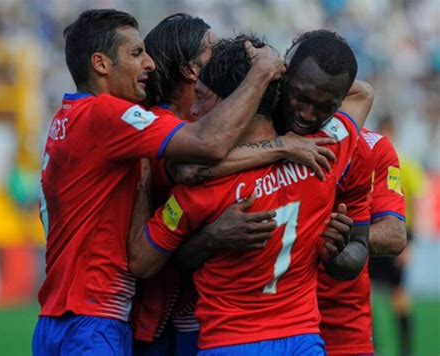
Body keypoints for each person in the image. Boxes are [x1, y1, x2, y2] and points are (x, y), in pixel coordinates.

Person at [32, 9, 285, 355]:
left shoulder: (68, 119)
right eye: (136, 53)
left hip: (63, 315)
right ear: (101, 64)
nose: (149, 64)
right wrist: (263, 74)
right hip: (94, 318)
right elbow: (203, 152)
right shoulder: (108, 115)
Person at [128, 34, 372, 354]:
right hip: (303, 341)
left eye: (204, 98)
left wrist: (142, 182)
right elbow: (363, 94)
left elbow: (141, 263)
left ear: (238, 103)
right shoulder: (327, 152)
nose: (197, 111)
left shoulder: (201, 189)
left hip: (230, 342)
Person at [369, 115, 423, 356]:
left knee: (398, 296)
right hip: (372, 235)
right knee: (364, 295)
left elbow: (417, 205)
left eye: (389, 131)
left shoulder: (407, 166)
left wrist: (410, 244)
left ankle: (405, 348)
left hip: (397, 237)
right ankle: (374, 345)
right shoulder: (369, 164)